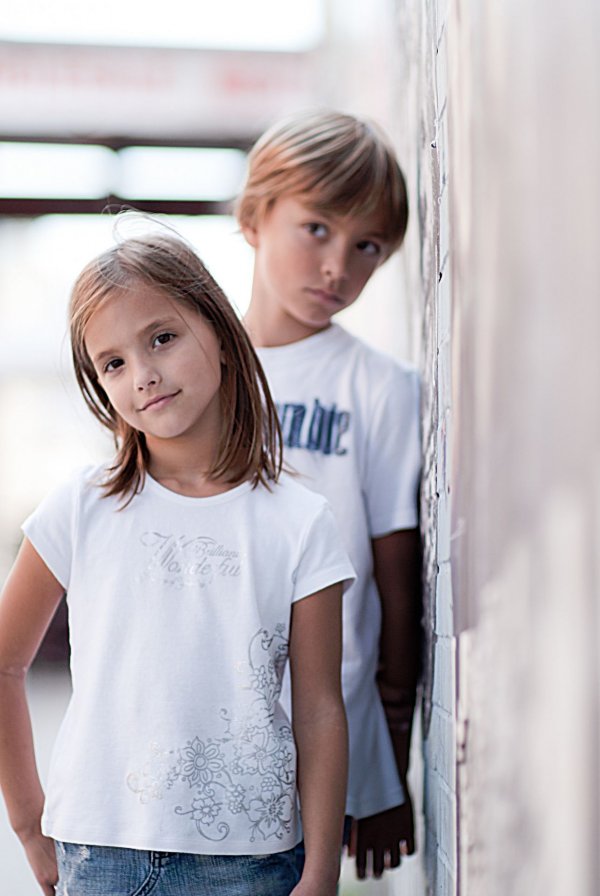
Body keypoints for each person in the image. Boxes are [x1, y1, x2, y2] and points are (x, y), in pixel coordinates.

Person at [0, 230, 355, 896]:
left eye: (161, 338)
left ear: (219, 333)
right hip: (101, 856)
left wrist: (322, 872)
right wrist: (27, 821)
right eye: (113, 362)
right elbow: (4, 662)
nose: (143, 374)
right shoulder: (80, 507)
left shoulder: (300, 520)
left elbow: (318, 710)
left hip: (251, 862)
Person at [237, 109, 422, 880]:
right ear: (255, 216)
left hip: (325, 734)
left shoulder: (380, 388)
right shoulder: (188, 373)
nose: (337, 266)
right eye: (316, 229)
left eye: (367, 246)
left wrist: (386, 761)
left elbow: (397, 582)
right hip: (206, 727)